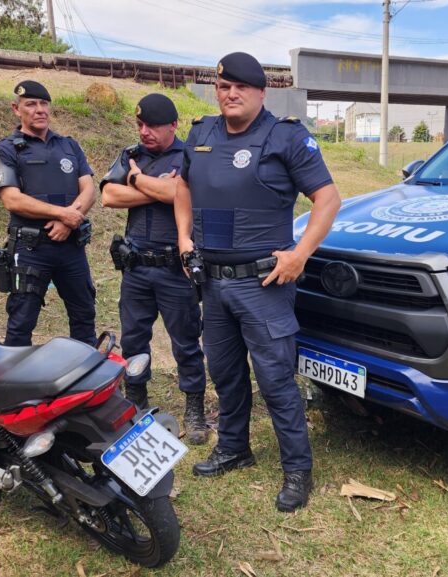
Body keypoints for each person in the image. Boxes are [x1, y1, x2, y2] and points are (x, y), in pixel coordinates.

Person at [174, 52, 341, 512]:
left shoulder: (284, 136)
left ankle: (296, 470)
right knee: (225, 373)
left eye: (241, 87)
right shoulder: (201, 132)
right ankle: (234, 447)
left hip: (263, 284)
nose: (231, 94)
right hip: (213, 282)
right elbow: (183, 186)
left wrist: (300, 254)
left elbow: (327, 198)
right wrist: (184, 237)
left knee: (274, 380)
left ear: (261, 92)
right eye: (224, 86)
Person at [101, 93, 209, 444]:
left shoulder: (188, 155)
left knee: (186, 341)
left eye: (153, 126)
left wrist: (135, 181)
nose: (145, 131)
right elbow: (108, 197)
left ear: (173, 125)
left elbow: (187, 196)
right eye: (140, 125)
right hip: (136, 267)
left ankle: (194, 408)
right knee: (133, 339)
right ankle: (136, 399)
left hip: (173, 267)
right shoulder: (132, 155)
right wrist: (163, 189)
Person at [0, 80, 98, 347]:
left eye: (44, 103)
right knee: (22, 321)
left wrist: (70, 222)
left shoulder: (69, 146)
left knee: (84, 315)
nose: (39, 110)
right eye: (31, 104)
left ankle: (86, 380)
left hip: (71, 247)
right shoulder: (6, 149)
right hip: (31, 250)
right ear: (16, 109)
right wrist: (64, 215)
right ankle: (16, 385)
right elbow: (12, 200)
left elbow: (89, 189)